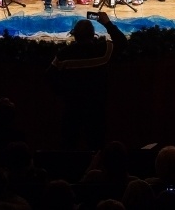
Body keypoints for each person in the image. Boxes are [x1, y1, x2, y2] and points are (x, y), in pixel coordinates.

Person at [47, 11, 127, 150]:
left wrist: (64, 94)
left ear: (74, 35)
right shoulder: (103, 50)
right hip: (96, 107)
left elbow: (49, 76)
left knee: (69, 146)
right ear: (93, 34)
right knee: (96, 145)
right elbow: (122, 43)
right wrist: (107, 23)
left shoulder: (65, 54)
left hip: (72, 107)